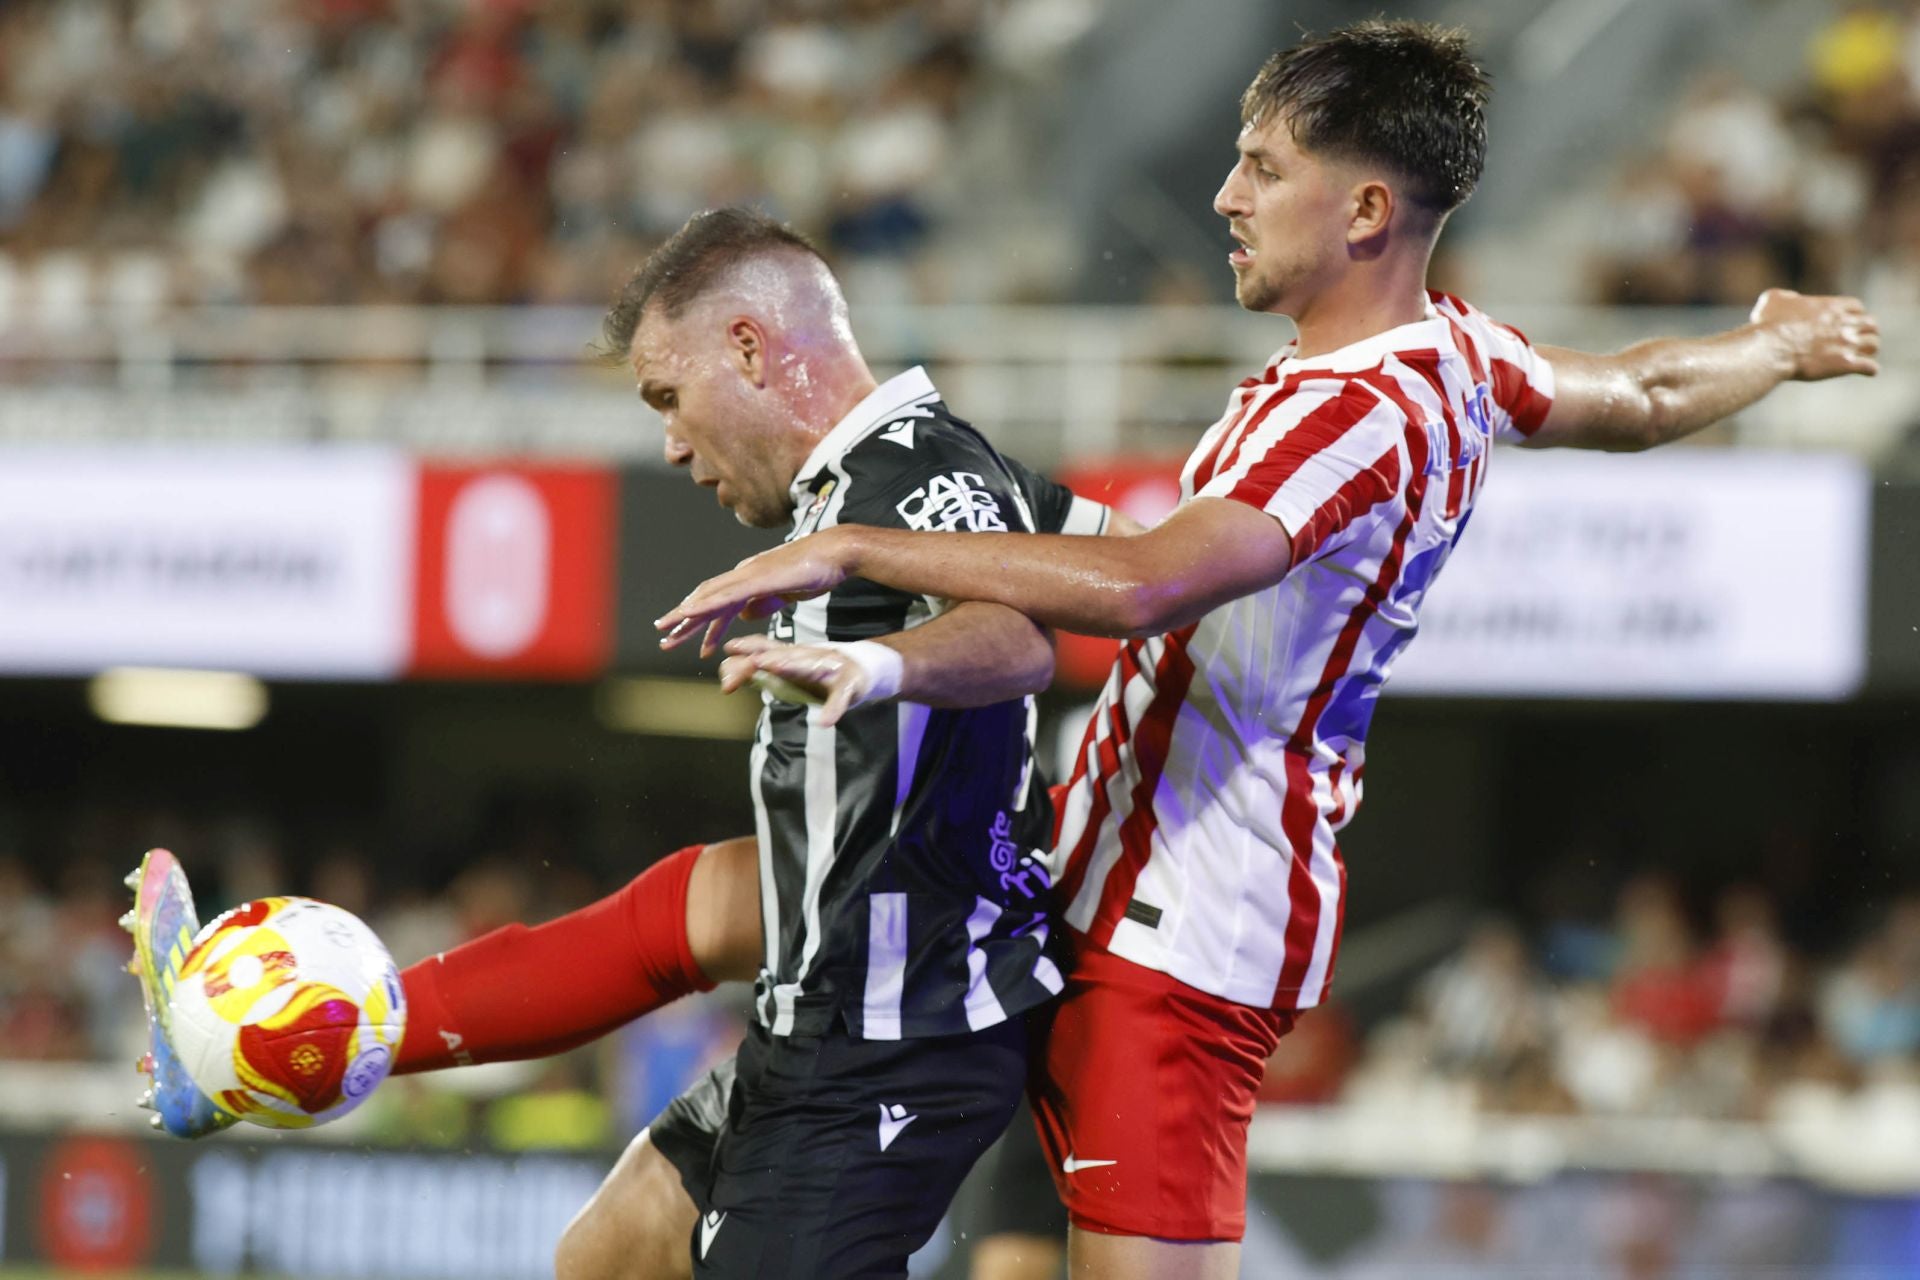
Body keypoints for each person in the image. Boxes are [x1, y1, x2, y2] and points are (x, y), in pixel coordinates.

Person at [657, 21, 1881, 1279]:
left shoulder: (1359, 413)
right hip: (1096, 886)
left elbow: (1143, 586)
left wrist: (860, 545)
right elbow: (1641, 395)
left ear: (1365, 210)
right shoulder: (1453, 353)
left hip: (1177, 935)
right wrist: (1776, 346)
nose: (1225, 195)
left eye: (1264, 167)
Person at [127, 206, 1125, 1279]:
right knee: (608, 1251)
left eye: (667, 396)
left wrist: (879, 664)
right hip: (821, 1007)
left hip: (892, 1045)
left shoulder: (912, 478)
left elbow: (1015, 638)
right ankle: (294, 1041)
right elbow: (1130, 564)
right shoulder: (894, 481)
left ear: (750, 348)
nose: (671, 444)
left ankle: (308, 1039)